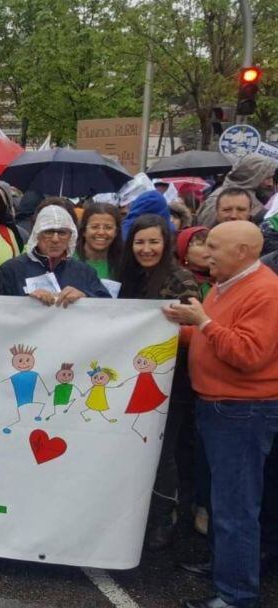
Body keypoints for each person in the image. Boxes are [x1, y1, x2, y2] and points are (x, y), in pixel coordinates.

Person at [163, 221, 278, 608]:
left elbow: (248, 354)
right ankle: (224, 569)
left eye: (213, 246)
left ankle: (237, 595)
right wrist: (178, 328)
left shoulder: (265, 291)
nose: (204, 252)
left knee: (236, 507)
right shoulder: (226, 283)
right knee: (219, 501)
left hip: (242, 411)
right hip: (218, 406)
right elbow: (212, 336)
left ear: (243, 252)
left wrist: (202, 323)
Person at [117, 214, 201, 550]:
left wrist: (165, 331)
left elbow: (196, 329)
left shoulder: (181, 280)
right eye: (140, 242)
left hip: (172, 384)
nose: (146, 248)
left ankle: (165, 516)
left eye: (154, 241)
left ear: (166, 243)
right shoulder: (128, 277)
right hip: (132, 378)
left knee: (163, 451)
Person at [0, 205, 111, 305]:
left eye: (62, 233)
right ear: (36, 235)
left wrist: (85, 296)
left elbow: (108, 308)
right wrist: (27, 301)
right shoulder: (11, 269)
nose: (55, 239)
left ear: (71, 237)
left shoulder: (85, 272)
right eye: (48, 232)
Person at [196, 153, 277, 227]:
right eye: (267, 178)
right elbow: (205, 232)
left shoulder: (256, 196)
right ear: (252, 176)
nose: (270, 184)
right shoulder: (219, 199)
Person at [76, 202, 123, 281]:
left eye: (108, 227)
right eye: (94, 227)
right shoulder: (68, 259)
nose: (101, 232)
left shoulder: (124, 263)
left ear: (116, 232)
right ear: (84, 231)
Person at [177, 226, 212, 298]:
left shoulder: (225, 278)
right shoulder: (178, 281)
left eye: (211, 245)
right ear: (185, 253)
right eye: (201, 244)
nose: (209, 249)